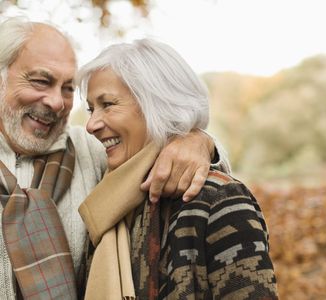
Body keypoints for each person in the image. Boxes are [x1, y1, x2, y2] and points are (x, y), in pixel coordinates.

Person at [0, 17, 229, 299]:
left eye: (68, 88)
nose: (57, 102)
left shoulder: (91, 151)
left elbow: (147, 144)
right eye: (40, 81)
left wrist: (196, 140)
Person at [78, 39, 278, 299]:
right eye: (91, 109)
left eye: (108, 105)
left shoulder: (220, 200)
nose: (91, 125)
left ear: (158, 104)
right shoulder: (109, 202)